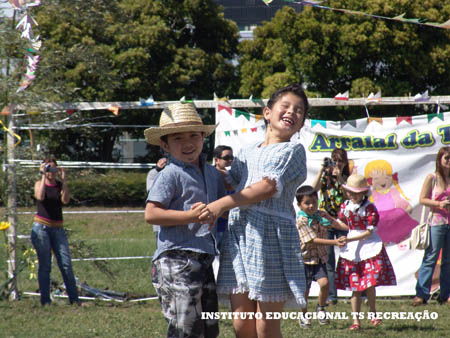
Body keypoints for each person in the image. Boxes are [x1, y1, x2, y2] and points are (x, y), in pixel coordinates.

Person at [200, 83, 309, 338]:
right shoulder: (248, 151)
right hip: (239, 238)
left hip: (271, 238)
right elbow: (230, 178)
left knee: (265, 325)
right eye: (286, 106)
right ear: (267, 112)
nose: (292, 112)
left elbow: (267, 187)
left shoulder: (293, 150)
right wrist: (189, 166)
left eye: (299, 110)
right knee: (242, 324)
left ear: (302, 122)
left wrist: (220, 205)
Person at [144, 103, 226, 338]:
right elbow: (151, 214)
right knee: (185, 328)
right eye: (178, 138)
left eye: (193, 135)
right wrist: (190, 216)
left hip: (205, 257)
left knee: (209, 328)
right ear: (165, 144)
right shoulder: (169, 174)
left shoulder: (211, 173)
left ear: (203, 137)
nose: (188, 143)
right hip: (176, 259)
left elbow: (222, 206)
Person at [335, 174, 397, 330]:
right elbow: (346, 226)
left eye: (356, 192)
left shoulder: (370, 208)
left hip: (369, 247)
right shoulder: (345, 206)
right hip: (352, 250)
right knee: (355, 287)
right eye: (350, 192)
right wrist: (329, 218)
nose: (352, 195)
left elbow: (369, 231)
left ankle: (373, 314)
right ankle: (356, 321)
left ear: (363, 193)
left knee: (369, 284)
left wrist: (349, 239)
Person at [295, 185, 348, 328]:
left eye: (314, 201)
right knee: (304, 291)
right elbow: (313, 240)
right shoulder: (302, 221)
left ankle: (321, 307)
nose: (311, 205)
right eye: (307, 203)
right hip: (305, 260)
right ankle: (304, 315)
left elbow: (335, 223)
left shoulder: (322, 214)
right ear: (299, 205)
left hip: (320, 258)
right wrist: (335, 242)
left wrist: (352, 228)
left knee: (325, 284)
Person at [31, 158, 81, 306]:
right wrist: (42, 174)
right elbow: (40, 196)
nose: (51, 173)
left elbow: (65, 200)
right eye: (48, 169)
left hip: (58, 228)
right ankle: (45, 301)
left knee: (66, 264)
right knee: (45, 265)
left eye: (53, 169)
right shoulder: (39, 184)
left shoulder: (59, 185)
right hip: (41, 228)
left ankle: (74, 299)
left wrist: (64, 180)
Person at [311, 148, 350, 305]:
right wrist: (322, 170)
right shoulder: (325, 178)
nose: (337, 164)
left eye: (340, 161)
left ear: (345, 162)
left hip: (343, 221)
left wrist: (340, 177)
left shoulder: (349, 178)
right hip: (326, 222)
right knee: (328, 261)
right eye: (335, 161)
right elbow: (312, 190)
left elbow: (349, 196)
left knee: (350, 257)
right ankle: (331, 297)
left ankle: (359, 294)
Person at [413, 146, 450, 306]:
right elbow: (422, 199)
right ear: (439, 160)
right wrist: (439, 203)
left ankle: (446, 294)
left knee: (448, 260)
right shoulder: (432, 178)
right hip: (436, 222)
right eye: (446, 158)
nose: (449, 161)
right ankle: (421, 294)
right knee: (431, 258)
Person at [364, 159, 417, 244]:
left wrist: (407, 206)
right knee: (381, 233)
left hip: (394, 215)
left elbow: (399, 201)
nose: (382, 181)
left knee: (401, 229)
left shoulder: (393, 191)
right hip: (380, 217)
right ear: (371, 181)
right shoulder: (373, 194)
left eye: (386, 177)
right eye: (376, 178)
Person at [213, 145, 234, 248]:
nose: (230, 160)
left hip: (230, 228)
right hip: (214, 228)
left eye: (232, 158)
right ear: (216, 160)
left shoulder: (234, 176)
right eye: (226, 158)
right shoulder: (210, 176)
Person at [146, 156, 168, 241]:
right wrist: (158, 171)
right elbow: (152, 193)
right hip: (159, 226)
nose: (164, 164)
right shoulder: (152, 173)